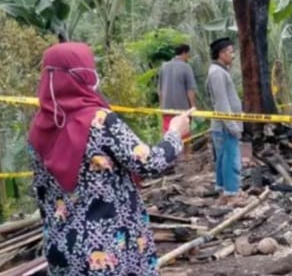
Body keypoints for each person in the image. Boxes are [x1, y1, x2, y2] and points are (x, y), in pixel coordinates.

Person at [28, 42, 191, 276]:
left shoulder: (38, 129)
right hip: (109, 249)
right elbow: (148, 163)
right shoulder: (100, 121)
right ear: (83, 73)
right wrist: (175, 133)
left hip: (62, 248)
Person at [206, 37, 245, 206]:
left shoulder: (219, 72)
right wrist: (232, 126)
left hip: (223, 125)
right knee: (231, 159)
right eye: (230, 51)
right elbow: (222, 103)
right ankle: (231, 194)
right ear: (221, 54)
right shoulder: (217, 73)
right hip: (225, 127)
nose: (232, 55)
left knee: (223, 159)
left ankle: (223, 191)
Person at [158, 44, 197, 136]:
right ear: (184, 53)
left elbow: (160, 90)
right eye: (188, 54)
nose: (189, 56)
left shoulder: (164, 67)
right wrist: (193, 107)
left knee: (168, 137)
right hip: (182, 111)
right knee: (184, 139)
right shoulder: (186, 67)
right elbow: (190, 90)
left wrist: (161, 108)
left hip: (167, 111)